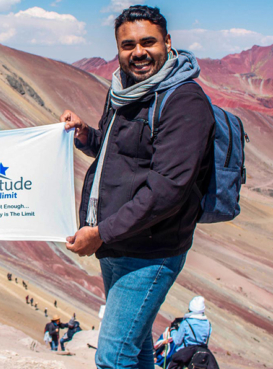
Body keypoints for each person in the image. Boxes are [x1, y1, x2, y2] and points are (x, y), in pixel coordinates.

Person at [61, 6, 214, 368]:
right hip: (118, 243)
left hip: (150, 251)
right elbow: (120, 154)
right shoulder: (123, 90)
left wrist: (100, 232)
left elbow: (166, 189)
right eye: (128, 45)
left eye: (148, 42)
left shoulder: (183, 101)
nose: (138, 52)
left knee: (114, 357)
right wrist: (86, 135)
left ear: (168, 43)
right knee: (139, 345)